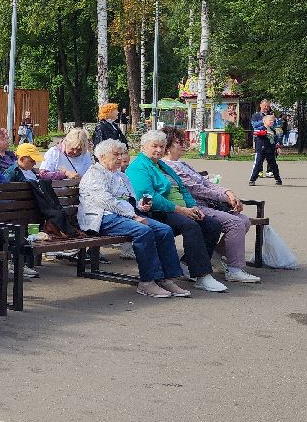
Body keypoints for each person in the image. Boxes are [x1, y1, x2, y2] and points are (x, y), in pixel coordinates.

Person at [78, 139, 189, 299]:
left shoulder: (121, 175)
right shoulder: (94, 174)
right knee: (143, 231)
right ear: (102, 156)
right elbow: (105, 201)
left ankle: (166, 278)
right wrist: (133, 215)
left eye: (120, 154)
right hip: (102, 218)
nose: (119, 158)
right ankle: (147, 281)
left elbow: (130, 199)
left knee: (164, 230)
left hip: (124, 215)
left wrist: (140, 206)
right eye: (115, 155)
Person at [125, 129, 228, 293]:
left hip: (180, 209)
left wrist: (192, 206)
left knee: (212, 224)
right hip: (157, 212)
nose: (159, 150)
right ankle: (202, 275)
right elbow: (148, 197)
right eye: (154, 146)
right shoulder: (138, 167)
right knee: (190, 226)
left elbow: (182, 188)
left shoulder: (162, 164)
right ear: (143, 147)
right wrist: (179, 209)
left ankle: (189, 263)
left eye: (161, 146)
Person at [162, 128, 261, 283]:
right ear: (167, 146)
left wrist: (228, 192)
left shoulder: (182, 164)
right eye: (178, 142)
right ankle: (235, 269)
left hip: (209, 204)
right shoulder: (169, 166)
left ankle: (215, 254)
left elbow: (207, 182)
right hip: (194, 205)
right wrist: (226, 197)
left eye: (184, 141)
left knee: (245, 221)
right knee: (235, 223)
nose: (183, 144)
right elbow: (196, 189)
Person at [3, 142, 79, 239]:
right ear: (21, 159)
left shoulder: (32, 171)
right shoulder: (12, 172)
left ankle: (57, 227)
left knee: (58, 212)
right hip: (21, 215)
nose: (35, 163)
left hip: (35, 212)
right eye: (32, 161)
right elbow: (5, 194)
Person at [249, 99, 283, 186]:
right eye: (265, 106)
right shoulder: (257, 118)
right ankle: (252, 179)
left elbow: (276, 138)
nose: (272, 122)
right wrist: (265, 131)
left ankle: (278, 179)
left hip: (270, 149)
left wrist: (278, 147)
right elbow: (255, 131)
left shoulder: (272, 129)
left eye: (272, 121)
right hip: (261, 148)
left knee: (273, 164)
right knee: (258, 164)